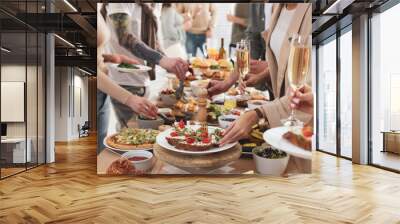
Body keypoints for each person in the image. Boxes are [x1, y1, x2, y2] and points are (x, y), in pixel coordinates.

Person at [208, 3, 313, 147]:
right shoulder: (280, 8)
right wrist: (229, 82)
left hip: (300, 114)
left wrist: (257, 114)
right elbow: (259, 45)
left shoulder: (309, 10)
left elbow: (303, 74)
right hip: (281, 105)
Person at [103, 3, 189, 129]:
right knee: (129, 134)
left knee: (141, 132)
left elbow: (153, 41)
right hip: (125, 81)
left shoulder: (155, 4)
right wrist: (161, 59)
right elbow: (124, 36)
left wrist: (170, 62)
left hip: (144, 79)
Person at [97, 4, 157, 152]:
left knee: (100, 143)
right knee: (97, 149)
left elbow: (96, 54)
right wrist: (129, 98)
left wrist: (113, 58)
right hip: (96, 85)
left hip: (103, 87)